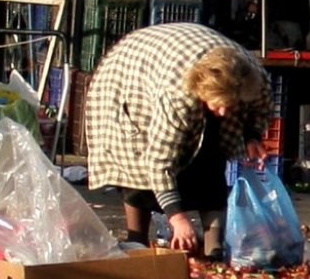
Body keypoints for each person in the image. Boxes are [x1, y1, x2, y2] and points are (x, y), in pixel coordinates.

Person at [85, 23, 272, 259]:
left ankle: (214, 247)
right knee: (137, 163)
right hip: (131, 75)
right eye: (218, 104)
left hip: (184, 54)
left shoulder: (253, 79)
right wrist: (178, 218)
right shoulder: (177, 94)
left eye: (230, 104)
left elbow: (260, 107)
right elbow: (159, 163)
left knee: (211, 159)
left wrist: (252, 135)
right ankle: (137, 240)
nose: (224, 112)